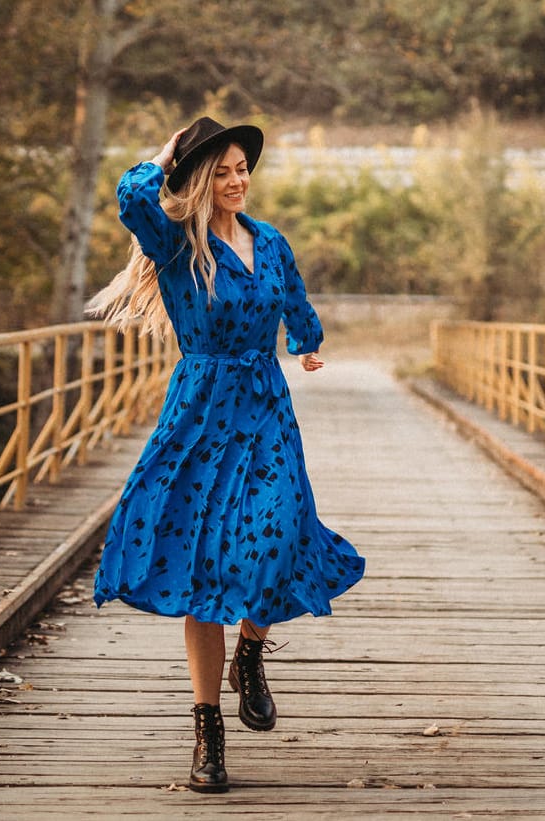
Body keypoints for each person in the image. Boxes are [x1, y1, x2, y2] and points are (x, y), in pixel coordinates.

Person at [87, 116, 366, 793]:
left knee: (273, 538)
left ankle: (251, 651)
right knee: (201, 566)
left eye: (243, 168)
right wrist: (165, 157)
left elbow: (292, 296)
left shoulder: (268, 240)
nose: (238, 180)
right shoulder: (177, 244)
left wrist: (304, 339)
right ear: (198, 178)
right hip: (200, 411)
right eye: (222, 170)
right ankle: (207, 730)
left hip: (266, 407)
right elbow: (130, 197)